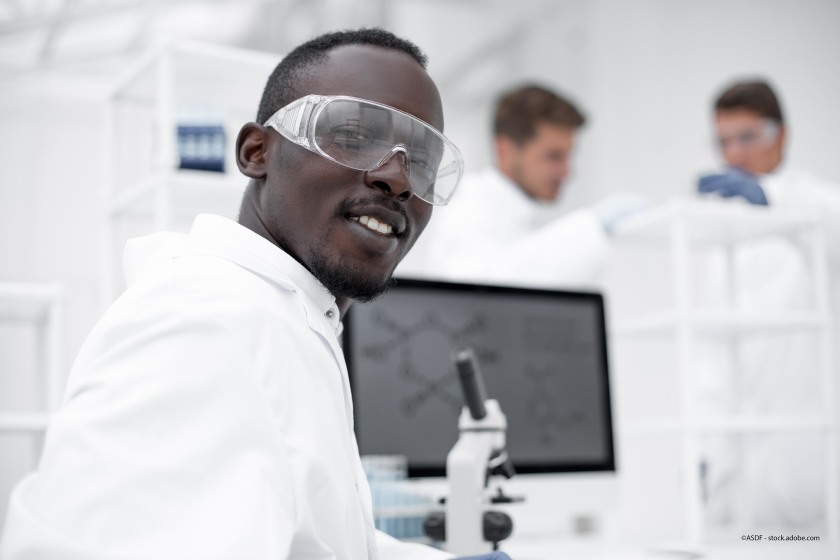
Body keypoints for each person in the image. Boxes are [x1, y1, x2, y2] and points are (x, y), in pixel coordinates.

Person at [0, 28, 509, 560]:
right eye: (355, 136)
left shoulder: (287, 318)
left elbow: (318, 543)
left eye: (423, 163)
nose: (399, 179)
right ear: (256, 151)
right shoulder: (205, 326)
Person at [694, 79, 840, 530]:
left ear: (783, 134)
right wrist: (703, 446)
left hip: (799, 447)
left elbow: (827, 223)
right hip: (732, 453)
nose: (733, 154)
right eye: (723, 141)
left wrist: (773, 201)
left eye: (747, 137)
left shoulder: (816, 204)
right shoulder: (723, 232)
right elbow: (714, 351)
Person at [396, 84, 648, 290]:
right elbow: (479, 292)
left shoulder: (521, 216)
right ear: (505, 150)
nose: (567, 172)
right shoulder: (470, 211)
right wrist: (591, 227)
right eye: (553, 156)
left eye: (569, 156)